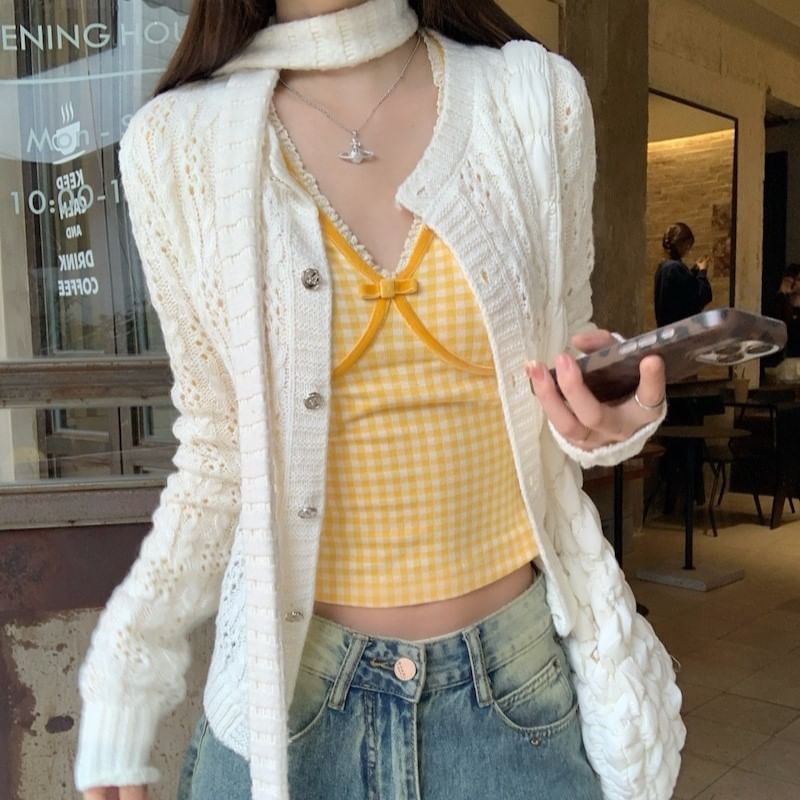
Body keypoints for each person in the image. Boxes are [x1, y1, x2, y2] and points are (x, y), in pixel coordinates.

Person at [74, 2, 684, 800]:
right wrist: (125, 680)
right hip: (289, 711)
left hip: (512, 700)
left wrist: (605, 421)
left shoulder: (535, 98)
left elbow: (559, 379)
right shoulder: (177, 142)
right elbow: (217, 452)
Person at [654, 222, 713, 327]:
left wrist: (695, 271)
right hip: (679, 330)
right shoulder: (675, 268)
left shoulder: (664, 267)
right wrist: (702, 271)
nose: (688, 250)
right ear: (681, 243)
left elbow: (681, 290)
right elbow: (700, 296)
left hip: (667, 330)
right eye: (688, 245)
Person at [771, 264, 800, 359]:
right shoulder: (780, 302)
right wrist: (782, 293)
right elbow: (775, 326)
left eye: (798, 280)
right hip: (782, 358)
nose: (794, 283)